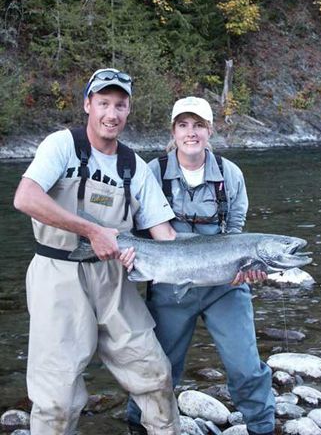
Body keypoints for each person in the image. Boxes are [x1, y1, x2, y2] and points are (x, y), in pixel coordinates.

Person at [13, 68, 181, 435]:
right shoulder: (62, 145)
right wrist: (91, 230)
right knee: (57, 398)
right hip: (57, 275)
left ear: (128, 111)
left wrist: (228, 266)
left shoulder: (133, 166)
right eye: (103, 103)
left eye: (120, 105)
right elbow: (25, 198)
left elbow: (165, 237)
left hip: (114, 280)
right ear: (88, 104)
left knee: (156, 376)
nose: (112, 113)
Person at [127, 97, 275, 435]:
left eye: (198, 126)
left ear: (210, 131)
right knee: (159, 368)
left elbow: (236, 233)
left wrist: (248, 266)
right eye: (183, 125)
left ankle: (263, 427)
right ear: (173, 131)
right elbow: (137, 229)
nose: (191, 133)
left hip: (225, 287)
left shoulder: (230, 174)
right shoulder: (153, 172)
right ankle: (137, 425)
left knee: (246, 368)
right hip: (168, 287)